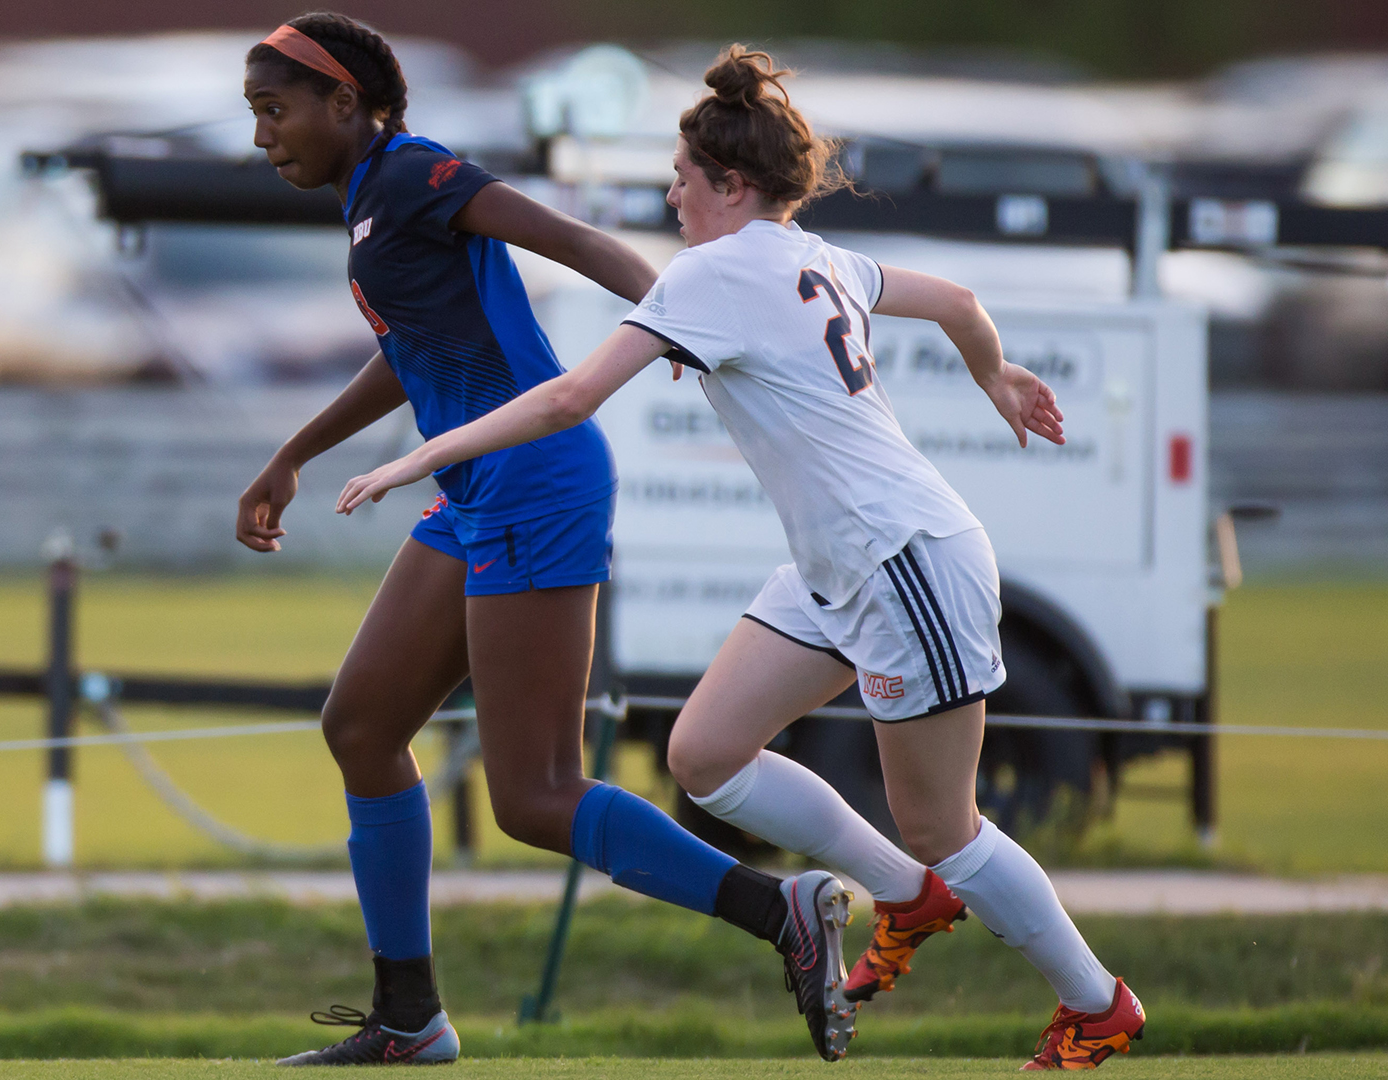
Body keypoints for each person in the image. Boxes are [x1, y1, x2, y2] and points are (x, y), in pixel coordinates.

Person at [337, 45, 1148, 1072]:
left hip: (905, 559)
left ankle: (1096, 1003)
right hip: (837, 567)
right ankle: (907, 895)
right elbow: (956, 302)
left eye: (682, 176)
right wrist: (997, 379)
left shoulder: (717, 270)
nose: (670, 192)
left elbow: (566, 399)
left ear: (732, 184)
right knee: (705, 755)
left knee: (943, 821)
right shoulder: (812, 256)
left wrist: (419, 457)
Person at [239, 14, 860, 1067]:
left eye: (275, 110)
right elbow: (414, 353)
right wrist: (292, 452)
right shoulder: (367, 206)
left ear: (346, 106)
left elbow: (568, 240)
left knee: (533, 796)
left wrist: (680, 325)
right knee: (362, 725)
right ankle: (406, 1021)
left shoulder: (416, 172)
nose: (263, 137)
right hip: (479, 486)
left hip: (536, 482)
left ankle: (782, 912)